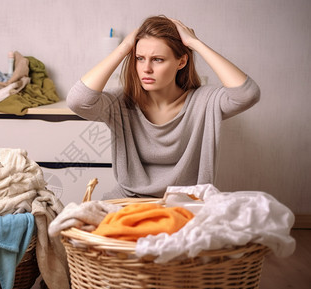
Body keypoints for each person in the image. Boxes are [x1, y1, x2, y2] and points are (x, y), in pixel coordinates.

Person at [66, 15, 260, 199]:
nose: (146, 68)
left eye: (157, 59)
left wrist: (195, 43)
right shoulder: (121, 102)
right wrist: (124, 47)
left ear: (181, 61)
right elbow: (78, 101)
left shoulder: (204, 101)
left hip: (189, 202)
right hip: (129, 200)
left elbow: (247, 94)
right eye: (139, 58)